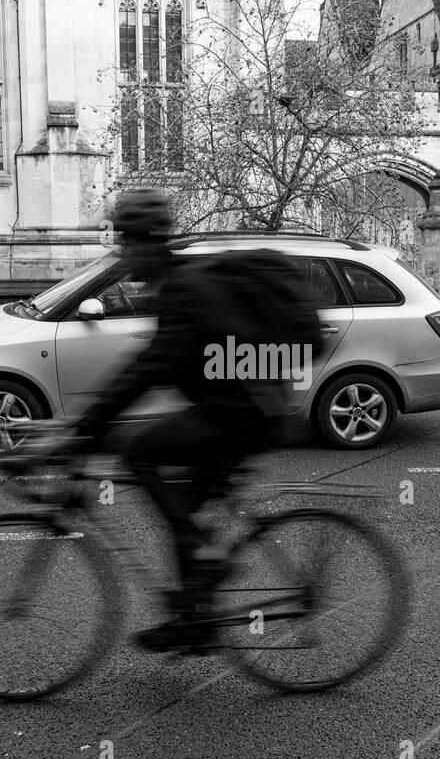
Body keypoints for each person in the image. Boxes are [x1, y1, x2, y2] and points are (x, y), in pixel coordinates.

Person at [62, 189, 313, 652]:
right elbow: (157, 365)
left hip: (243, 416)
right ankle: (194, 616)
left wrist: (85, 429)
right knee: (180, 505)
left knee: (142, 451)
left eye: (127, 242)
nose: (122, 252)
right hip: (237, 409)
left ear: (149, 243)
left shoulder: (184, 288)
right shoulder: (177, 284)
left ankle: (201, 573)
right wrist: (93, 423)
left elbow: (153, 367)